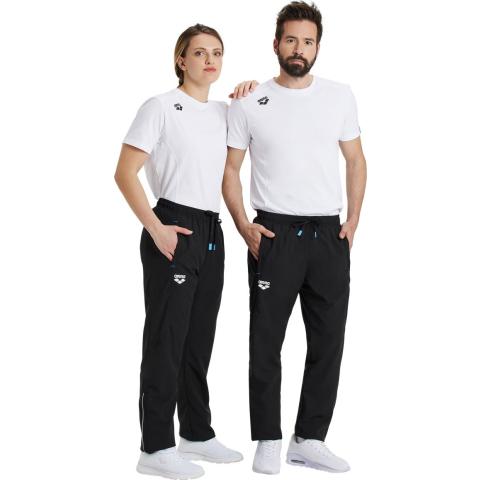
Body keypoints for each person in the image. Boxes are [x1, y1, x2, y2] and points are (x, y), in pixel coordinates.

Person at [223, 1, 367, 474]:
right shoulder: (249, 100)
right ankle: (268, 437)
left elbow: (355, 159)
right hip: (274, 232)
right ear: (276, 44)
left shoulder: (340, 96)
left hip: (329, 233)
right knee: (266, 341)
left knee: (328, 341)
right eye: (291, 40)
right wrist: (243, 225)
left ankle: (309, 438)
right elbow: (230, 169)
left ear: (318, 47)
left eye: (307, 41)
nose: (299, 48)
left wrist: (353, 221)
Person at [114, 24, 258, 479]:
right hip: (173, 224)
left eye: (217, 52)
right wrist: (156, 228)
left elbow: (255, 126)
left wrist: (252, 90)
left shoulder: (225, 112)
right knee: (166, 340)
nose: (210, 60)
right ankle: (155, 446)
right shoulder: (159, 107)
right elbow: (124, 172)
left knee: (198, 340)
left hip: (212, 230)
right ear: (181, 59)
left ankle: (195, 433)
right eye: (199, 53)